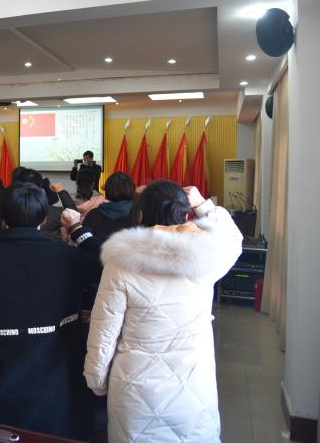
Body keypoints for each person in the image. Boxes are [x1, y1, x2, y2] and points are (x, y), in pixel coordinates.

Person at [81, 181, 242, 443]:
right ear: (185, 213)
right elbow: (233, 239)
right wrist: (204, 205)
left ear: (140, 214)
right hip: (193, 386)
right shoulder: (208, 255)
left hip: (135, 389)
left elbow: (105, 329)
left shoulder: (121, 262)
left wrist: (96, 379)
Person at [0, 183, 98, 440]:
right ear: (43, 219)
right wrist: (77, 228)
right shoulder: (64, 255)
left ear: (3, 216)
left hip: (1, 377)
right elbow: (101, 259)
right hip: (58, 383)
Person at [84, 172, 136, 243]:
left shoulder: (93, 215)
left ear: (107, 190)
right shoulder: (138, 214)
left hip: (100, 250)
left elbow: (84, 243)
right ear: (132, 189)